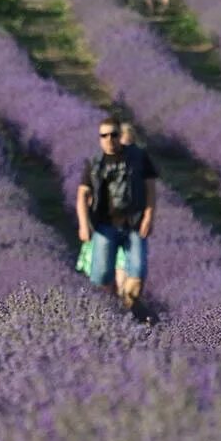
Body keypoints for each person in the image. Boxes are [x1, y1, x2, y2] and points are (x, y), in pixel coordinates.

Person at [76, 117, 158, 323]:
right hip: (105, 226)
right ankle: (110, 316)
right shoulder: (95, 163)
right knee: (102, 279)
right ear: (99, 138)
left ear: (120, 136)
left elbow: (150, 188)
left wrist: (149, 216)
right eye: (104, 135)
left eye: (113, 134)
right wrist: (84, 224)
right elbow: (82, 195)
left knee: (137, 274)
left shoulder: (138, 158)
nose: (109, 139)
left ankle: (127, 313)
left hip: (134, 225)